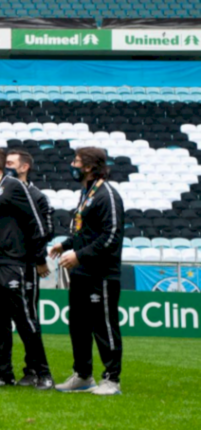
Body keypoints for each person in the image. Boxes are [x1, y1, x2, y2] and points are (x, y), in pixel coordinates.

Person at [0, 148, 52, 389]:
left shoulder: (13, 185)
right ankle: (3, 374)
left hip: (13, 263)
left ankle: (42, 373)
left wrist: (36, 256)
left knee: (25, 320)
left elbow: (37, 223)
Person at [50, 146, 124, 396]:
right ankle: (82, 376)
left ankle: (112, 380)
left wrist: (79, 255)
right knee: (78, 325)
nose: (73, 164)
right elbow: (85, 232)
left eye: (77, 161)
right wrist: (66, 244)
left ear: (90, 167)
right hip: (81, 273)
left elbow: (111, 236)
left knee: (103, 326)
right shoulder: (87, 194)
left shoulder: (108, 195)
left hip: (101, 274)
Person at [6, 148, 56, 386]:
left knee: (28, 319)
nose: (6, 166)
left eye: (10, 163)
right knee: (14, 318)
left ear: (24, 167)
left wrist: (38, 258)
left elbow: (46, 230)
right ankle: (24, 370)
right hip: (7, 264)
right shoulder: (3, 192)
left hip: (25, 266)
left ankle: (37, 370)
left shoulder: (37, 195)